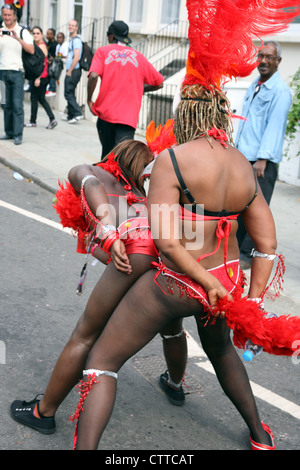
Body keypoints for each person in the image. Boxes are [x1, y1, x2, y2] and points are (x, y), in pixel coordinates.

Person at [51, 0, 300, 451]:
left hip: (181, 282)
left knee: (102, 362)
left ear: (186, 113)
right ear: (223, 114)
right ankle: (262, 437)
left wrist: (203, 281)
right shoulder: (243, 166)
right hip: (225, 282)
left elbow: (166, 239)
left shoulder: (172, 160)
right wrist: (250, 302)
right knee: (223, 352)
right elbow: (266, 246)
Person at [10, 138, 188, 437]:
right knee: (172, 327)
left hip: (134, 257)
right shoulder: (144, 194)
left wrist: (105, 231)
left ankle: (44, 412)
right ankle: (175, 385)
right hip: (164, 259)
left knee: (85, 335)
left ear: (115, 156)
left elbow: (87, 181)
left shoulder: (97, 174)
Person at [235, 41, 292, 270]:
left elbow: (274, 126)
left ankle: (247, 254)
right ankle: (235, 250)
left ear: (278, 62)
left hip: (261, 162)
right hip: (245, 157)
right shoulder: (255, 85)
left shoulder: (280, 91)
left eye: (269, 57)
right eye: (261, 56)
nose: (264, 61)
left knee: (257, 209)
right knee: (240, 205)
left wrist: (263, 159)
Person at [87, 20, 164, 159]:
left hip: (106, 114)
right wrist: (141, 89)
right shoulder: (139, 57)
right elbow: (159, 83)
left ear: (111, 37)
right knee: (122, 159)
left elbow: (93, 76)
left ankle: (104, 180)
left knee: (107, 156)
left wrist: (89, 100)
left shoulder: (103, 52)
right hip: (128, 118)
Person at [0, 3, 34, 145]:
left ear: (14, 15)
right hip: (2, 72)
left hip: (17, 73)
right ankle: (9, 132)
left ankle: (18, 134)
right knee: (5, 104)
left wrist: (17, 38)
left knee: (17, 105)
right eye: (5, 15)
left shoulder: (22, 31)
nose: (7, 17)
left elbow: (31, 50)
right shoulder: (0, 30)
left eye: (9, 15)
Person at [24, 26, 57, 130]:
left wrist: (37, 78)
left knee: (36, 98)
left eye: (38, 33)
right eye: (34, 33)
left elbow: (41, 63)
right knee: (39, 98)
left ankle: (34, 121)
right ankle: (51, 119)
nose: (35, 35)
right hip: (39, 76)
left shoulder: (41, 46)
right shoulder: (37, 45)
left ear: (42, 35)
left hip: (41, 76)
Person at [62, 19, 84, 124]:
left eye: (73, 25)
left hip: (74, 70)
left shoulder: (76, 41)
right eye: (69, 25)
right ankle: (71, 115)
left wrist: (70, 70)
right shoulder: (71, 40)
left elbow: (77, 57)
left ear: (77, 28)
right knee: (70, 92)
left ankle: (77, 113)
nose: (71, 27)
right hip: (72, 69)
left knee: (68, 93)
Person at [45, 27, 57, 97]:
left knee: (51, 74)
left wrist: (51, 59)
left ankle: (52, 88)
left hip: (53, 63)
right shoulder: (48, 43)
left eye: (49, 34)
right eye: (47, 33)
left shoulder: (55, 44)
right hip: (48, 62)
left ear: (53, 35)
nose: (47, 35)